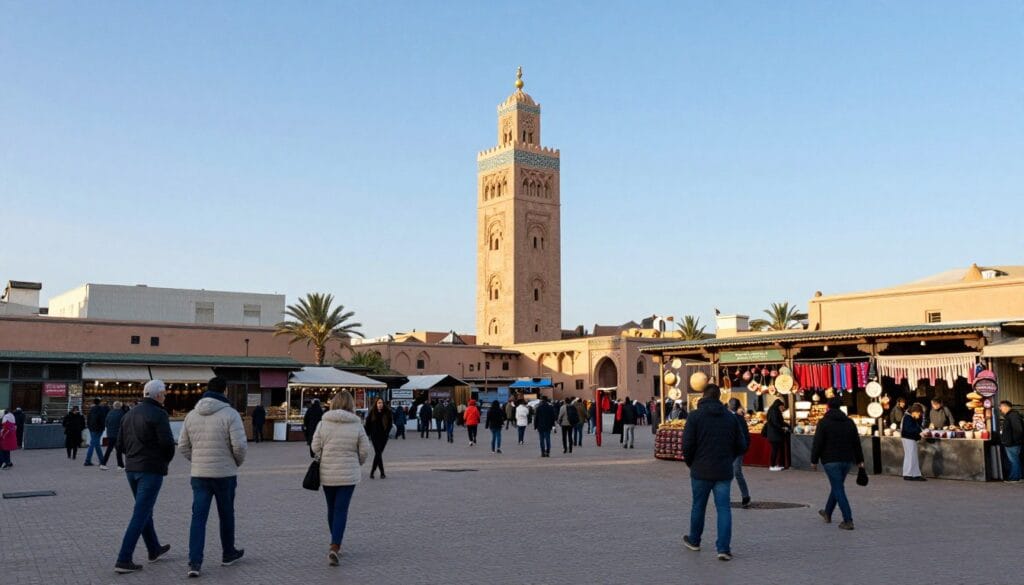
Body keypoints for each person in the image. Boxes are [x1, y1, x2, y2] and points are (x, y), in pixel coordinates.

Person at [178, 376, 247, 578]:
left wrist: (196, 460)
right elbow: (240, 446)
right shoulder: (230, 414)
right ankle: (228, 553)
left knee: (198, 518)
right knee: (226, 514)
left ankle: (195, 561)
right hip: (225, 474)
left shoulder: (192, 415)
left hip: (199, 474)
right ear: (224, 391)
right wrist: (235, 462)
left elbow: (182, 445)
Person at [114, 380, 175, 574]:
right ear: (158, 395)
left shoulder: (129, 414)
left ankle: (154, 548)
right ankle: (124, 558)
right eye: (164, 394)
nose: (165, 397)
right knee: (140, 513)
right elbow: (167, 444)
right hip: (151, 468)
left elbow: (119, 444)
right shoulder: (159, 414)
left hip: (132, 469)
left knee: (144, 509)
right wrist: (164, 462)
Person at [682, 384, 746, 562]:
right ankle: (723, 548)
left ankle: (694, 540)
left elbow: (687, 445)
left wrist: (692, 463)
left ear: (703, 396)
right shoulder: (730, 418)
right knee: (724, 509)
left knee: (698, 506)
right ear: (719, 397)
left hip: (700, 470)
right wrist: (728, 457)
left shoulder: (695, 416)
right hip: (723, 471)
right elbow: (741, 445)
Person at [311, 391, 370, 567]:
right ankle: (335, 545)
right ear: (351, 404)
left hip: (327, 472)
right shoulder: (357, 424)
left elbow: (315, 447)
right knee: (341, 509)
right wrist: (357, 462)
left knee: (331, 508)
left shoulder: (323, 423)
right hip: (348, 474)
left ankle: (334, 543)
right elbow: (364, 450)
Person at [810, 398, 865, 530]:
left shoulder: (824, 422)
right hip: (847, 460)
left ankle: (848, 519)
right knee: (837, 486)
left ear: (828, 407)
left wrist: (814, 460)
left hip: (830, 460)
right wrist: (860, 460)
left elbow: (818, 443)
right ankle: (827, 512)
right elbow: (856, 442)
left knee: (838, 489)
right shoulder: (849, 422)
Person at [727, 399, 751, 509]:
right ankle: (744, 496)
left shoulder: (729, 418)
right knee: (736, 473)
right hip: (735, 450)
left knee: (734, 473)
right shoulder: (739, 418)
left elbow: (745, 435)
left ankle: (745, 496)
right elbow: (746, 435)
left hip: (732, 450)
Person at [364, 398, 392, 479]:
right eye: (379, 403)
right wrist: (367, 434)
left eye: (382, 403)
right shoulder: (372, 413)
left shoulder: (387, 413)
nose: (380, 404)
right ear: (376, 404)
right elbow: (367, 425)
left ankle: (373, 472)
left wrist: (386, 433)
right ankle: (381, 473)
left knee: (378, 454)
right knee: (378, 453)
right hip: (374, 436)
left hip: (383, 437)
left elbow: (390, 424)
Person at [998, 400, 1023, 483]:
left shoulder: (1013, 415)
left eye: (1000, 407)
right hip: (1012, 443)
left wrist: (1013, 441)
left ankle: (1014, 478)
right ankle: (1019, 477)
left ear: (1005, 406)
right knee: (1016, 460)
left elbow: (1019, 430)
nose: (1000, 409)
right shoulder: (1011, 415)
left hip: (1013, 444)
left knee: (1014, 461)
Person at [900, 403, 926, 481]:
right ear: (915, 411)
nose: (919, 415)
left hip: (909, 438)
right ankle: (909, 474)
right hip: (908, 438)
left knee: (912, 456)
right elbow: (909, 429)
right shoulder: (908, 417)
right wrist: (919, 432)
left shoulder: (909, 417)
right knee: (910, 456)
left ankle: (914, 474)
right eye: (919, 413)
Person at [100, 401, 126, 470]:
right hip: (118, 434)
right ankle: (120, 465)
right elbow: (124, 424)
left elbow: (106, 423)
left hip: (110, 434)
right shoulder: (122, 413)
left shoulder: (110, 412)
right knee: (119, 450)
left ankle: (103, 463)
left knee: (109, 449)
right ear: (120, 406)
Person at [85, 398, 110, 467]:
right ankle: (92, 460)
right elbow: (103, 420)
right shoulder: (101, 410)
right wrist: (103, 427)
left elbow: (88, 419)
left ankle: (98, 460)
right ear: (99, 402)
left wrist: (89, 427)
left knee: (95, 444)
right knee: (94, 444)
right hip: (98, 429)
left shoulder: (91, 410)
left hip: (92, 429)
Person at [765, 399, 789, 471]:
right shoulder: (774, 411)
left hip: (774, 434)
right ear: (779, 406)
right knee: (775, 450)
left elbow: (779, 422)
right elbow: (776, 423)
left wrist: (786, 425)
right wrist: (783, 428)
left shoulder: (773, 410)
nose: (783, 408)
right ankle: (772, 465)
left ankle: (778, 464)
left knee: (776, 450)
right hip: (775, 434)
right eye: (782, 407)